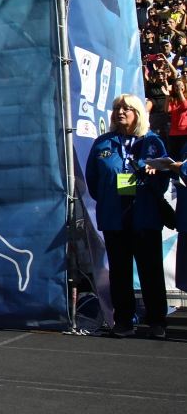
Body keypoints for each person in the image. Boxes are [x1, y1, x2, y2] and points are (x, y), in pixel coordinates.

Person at [85, 94, 169, 339]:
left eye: (126, 108)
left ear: (138, 113)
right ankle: (123, 321)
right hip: (114, 218)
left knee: (151, 271)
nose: (120, 112)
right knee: (119, 272)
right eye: (117, 108)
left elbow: (162, 179)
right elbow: (93, 181)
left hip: (145, 217)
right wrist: (110, 198)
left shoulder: (153, 142)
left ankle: (156, 321)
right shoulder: (103, 143)